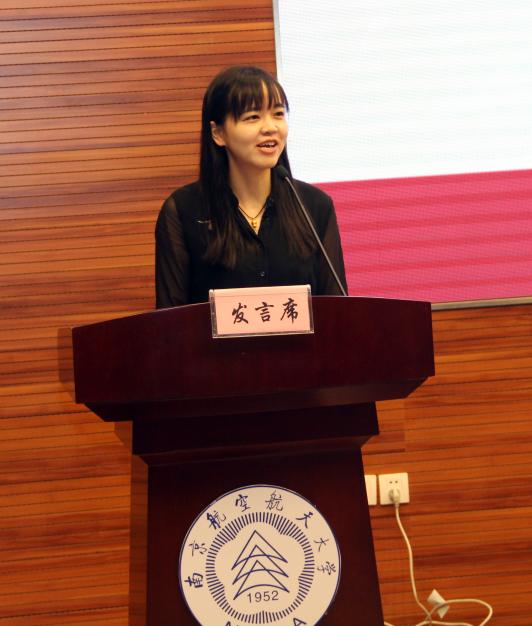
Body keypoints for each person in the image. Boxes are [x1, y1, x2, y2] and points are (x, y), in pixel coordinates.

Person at [155, 65, 347, 308]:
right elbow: (170, 317)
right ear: (218, 133)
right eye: (253, 117)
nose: (270, 127)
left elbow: (337, 309)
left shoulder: (314, 206)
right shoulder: (184, 211)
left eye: (278, 114)